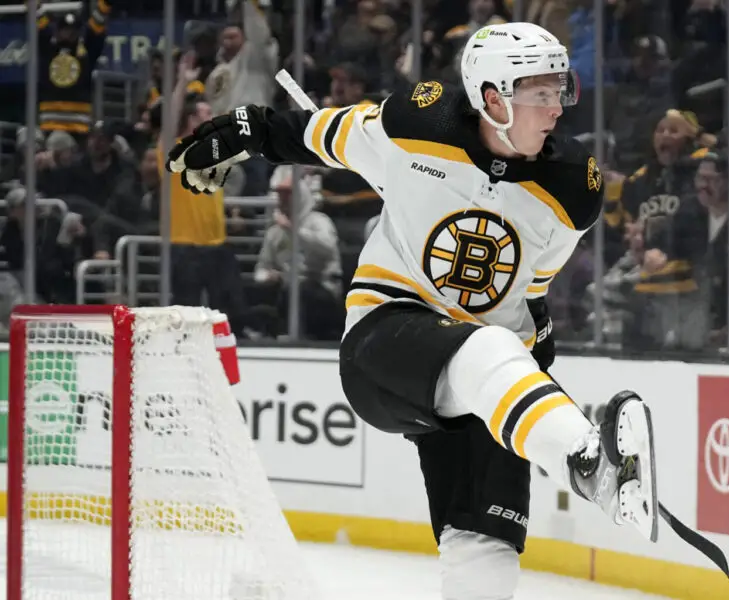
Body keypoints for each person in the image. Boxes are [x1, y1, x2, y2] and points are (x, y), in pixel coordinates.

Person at [165, 23, 659, 600]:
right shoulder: (414, 126)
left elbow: (530, 292)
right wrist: (246, 130)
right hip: (383, 343)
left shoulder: (574, 190)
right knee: (490, 349)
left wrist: (535, 376)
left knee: (486, 539)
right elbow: (319, 132)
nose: (556, 109)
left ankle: (576, 455)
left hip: (480, 376)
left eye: (559, 90)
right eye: (540, 93)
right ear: (493, 98)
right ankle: (587, 462)